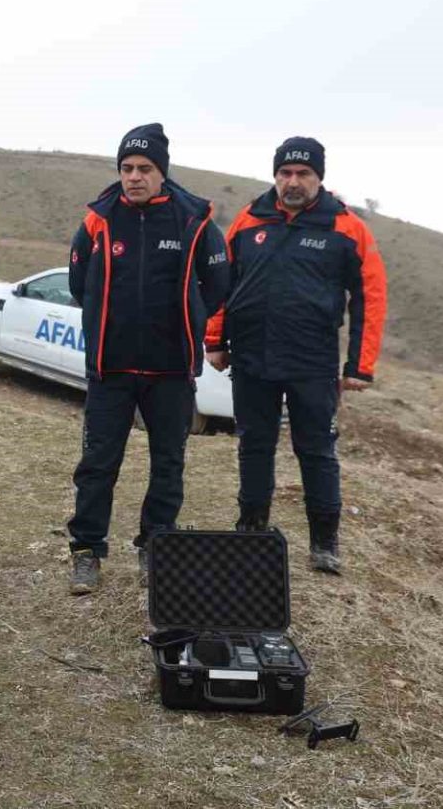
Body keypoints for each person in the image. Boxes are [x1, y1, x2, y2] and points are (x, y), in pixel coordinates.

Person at [204, 137, 387, 574]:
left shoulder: (346, 228)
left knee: (317, 450)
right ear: (275, 176)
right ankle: (252, 529)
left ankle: (324, 543)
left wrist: (359, 366)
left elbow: (371, 295)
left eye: (303, 174)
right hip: (252, 356)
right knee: (254, 445)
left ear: (319, 178)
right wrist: (215, 340)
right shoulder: (249, 219)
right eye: (285, 173)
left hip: (313, 362)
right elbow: (223, 283)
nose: (293, 181)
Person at [65, 123, 231, 593]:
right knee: (97, 464)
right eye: (126, 168)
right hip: (110, 367)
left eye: (144, 168)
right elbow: (80, 284)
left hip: (170, 370)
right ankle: (86, 551)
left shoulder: (193, 220)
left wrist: (189, 317)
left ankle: (155, 548)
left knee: (168, 464)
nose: (134, 176)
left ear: (162, 172)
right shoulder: (98, 219)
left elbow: (218, 286)